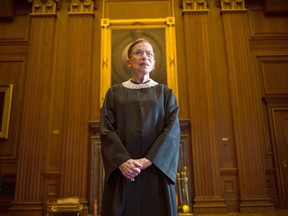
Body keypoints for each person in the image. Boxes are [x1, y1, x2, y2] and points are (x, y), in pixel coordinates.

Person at [100, 38, 180, 216]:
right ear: (129, 61)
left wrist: (149, 159)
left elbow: (172, 131)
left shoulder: (165, 94)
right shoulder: (114, 93)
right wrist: (122, 161)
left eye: (149, 53)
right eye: (139, 53)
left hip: (155, 170)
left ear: (153, 63)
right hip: (124, 171)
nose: (145, 56)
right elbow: (106, 130)